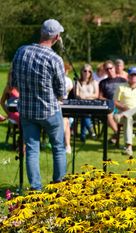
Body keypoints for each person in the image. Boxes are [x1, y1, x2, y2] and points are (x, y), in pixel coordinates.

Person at [10, 19, 66, 191]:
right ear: (56, 37)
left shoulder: (21, 51)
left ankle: (36, 189)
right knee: (58, 148)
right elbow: (62, 91)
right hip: (49, 111)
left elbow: (14, 82)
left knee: (32, 150)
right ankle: (58, 186)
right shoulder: (54, 58)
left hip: (26, 111)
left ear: (41, 32)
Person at [113, 67, 136, 156]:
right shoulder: (121, 86)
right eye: (131, 75)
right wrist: (124, 107)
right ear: (127, 76)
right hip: (123, 113)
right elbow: (115, 102)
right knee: (128, 117)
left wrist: (127, 112)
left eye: (135, 75)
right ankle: (129, 147)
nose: (133, 77)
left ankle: (124, 115)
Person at [99, 60, 127, 143]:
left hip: (122, 105)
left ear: (114, 68)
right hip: (110, 105)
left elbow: (127, 94)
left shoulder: (122, 80)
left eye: (110, 68)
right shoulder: (103, 82)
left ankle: (115, 137)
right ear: (105, 71)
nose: (109, 70)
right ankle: (118, 133)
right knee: (108, 115)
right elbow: (100, 97)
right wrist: (111, 101)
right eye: (107, 69)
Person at [75, 64, 99, 142]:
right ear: (81, 72)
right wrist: (81, 97)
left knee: (84, 114)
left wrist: (86, 96)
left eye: (89, 71)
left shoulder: (94, 82)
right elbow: (76, 94)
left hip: (91, 104)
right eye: (85, 71)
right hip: (80, 104)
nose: (87, 73)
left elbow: (96, 95)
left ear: (91, 73)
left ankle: (83, 135)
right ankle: (90, 130)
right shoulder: (77, 82)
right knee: (84, 114)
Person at [63, 63, 73, 154]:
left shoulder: (69, 80)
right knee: (65, 122)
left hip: (64, 104)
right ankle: (67, 145)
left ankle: (67, 145)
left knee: (66, 121)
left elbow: (70, 92)